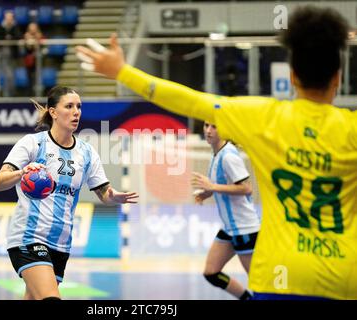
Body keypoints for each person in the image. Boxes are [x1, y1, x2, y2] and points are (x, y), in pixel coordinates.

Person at [76, 6, 357, 300]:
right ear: (338, 78)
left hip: (279, 276)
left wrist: (122, 71)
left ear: (293, 75)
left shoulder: (262, 116)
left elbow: (191, 101)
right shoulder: (351, 129)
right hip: (344, 279)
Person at [0, 86, 139, 300]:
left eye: (79, 107)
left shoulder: (86, 152)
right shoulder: (33, 143)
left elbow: (104, 193)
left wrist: (113, 196)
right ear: (53, 112)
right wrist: (23, 172)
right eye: (69, 106)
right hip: (29, 237)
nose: (76, 112)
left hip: (60, 243)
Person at [192, 122, 259, 300]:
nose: (208, 130)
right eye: (206, 125)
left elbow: (246, 188)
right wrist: (207, 193)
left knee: (259, 284)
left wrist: (212, 186)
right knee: (211, 272)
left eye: (214, 126)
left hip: (244, 228)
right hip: (230, 228)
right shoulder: (217, 154)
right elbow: (225, 185)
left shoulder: (228, 156)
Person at [0, 11, 23, 97]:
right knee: (7, 75)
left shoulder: (15, 27)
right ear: (5, 18)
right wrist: (4, 38)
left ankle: (11, 93)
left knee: (11, 75)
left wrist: (11, 37)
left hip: (13, 55)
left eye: (11, 18)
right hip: (2, 54)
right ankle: (7, 94)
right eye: (8, 17)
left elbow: (19, 36)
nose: (9, 19)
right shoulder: (0, 26)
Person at [23, 22, 45, 92]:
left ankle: (39, 92)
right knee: (29, 77)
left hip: (38, 59)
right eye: (31, 27)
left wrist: (36, 40)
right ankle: (30, 92)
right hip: (29, 60)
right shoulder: (26, 36)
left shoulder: (40, 35)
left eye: (34, 27)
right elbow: (27, 48)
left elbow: (42, 47)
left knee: (38, 76)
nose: (32, 29)